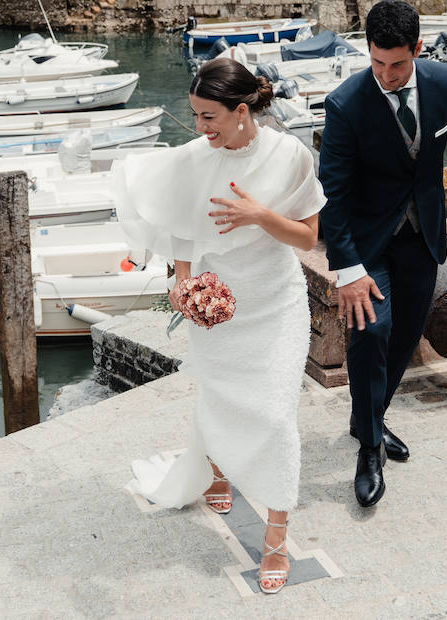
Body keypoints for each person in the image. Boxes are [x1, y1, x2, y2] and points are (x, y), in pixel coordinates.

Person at [115, 58, 325, 594]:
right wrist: (182, 283)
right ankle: (217, 467)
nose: (200, 127)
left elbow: (306, 239)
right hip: (218, 299)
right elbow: (183, 229)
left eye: (208, 116)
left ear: (240, 111)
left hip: (275, 302)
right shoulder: (194, 158)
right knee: (219, 393)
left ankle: (276, 537)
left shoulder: (291, 156)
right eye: (195, 115)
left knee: (277, 417)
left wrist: (261, 217)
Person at [318, 0, 447, 508]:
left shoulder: (444, 83)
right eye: (376, 63)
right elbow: (331, 195)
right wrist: (347, 270)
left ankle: (366, 415)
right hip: (365, 242)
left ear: (417, 50)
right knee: (370, 331)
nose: (386, 75)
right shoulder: (345, 104)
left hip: (423, 237)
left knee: (404, 334)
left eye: (397, 64)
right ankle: (370, 447)